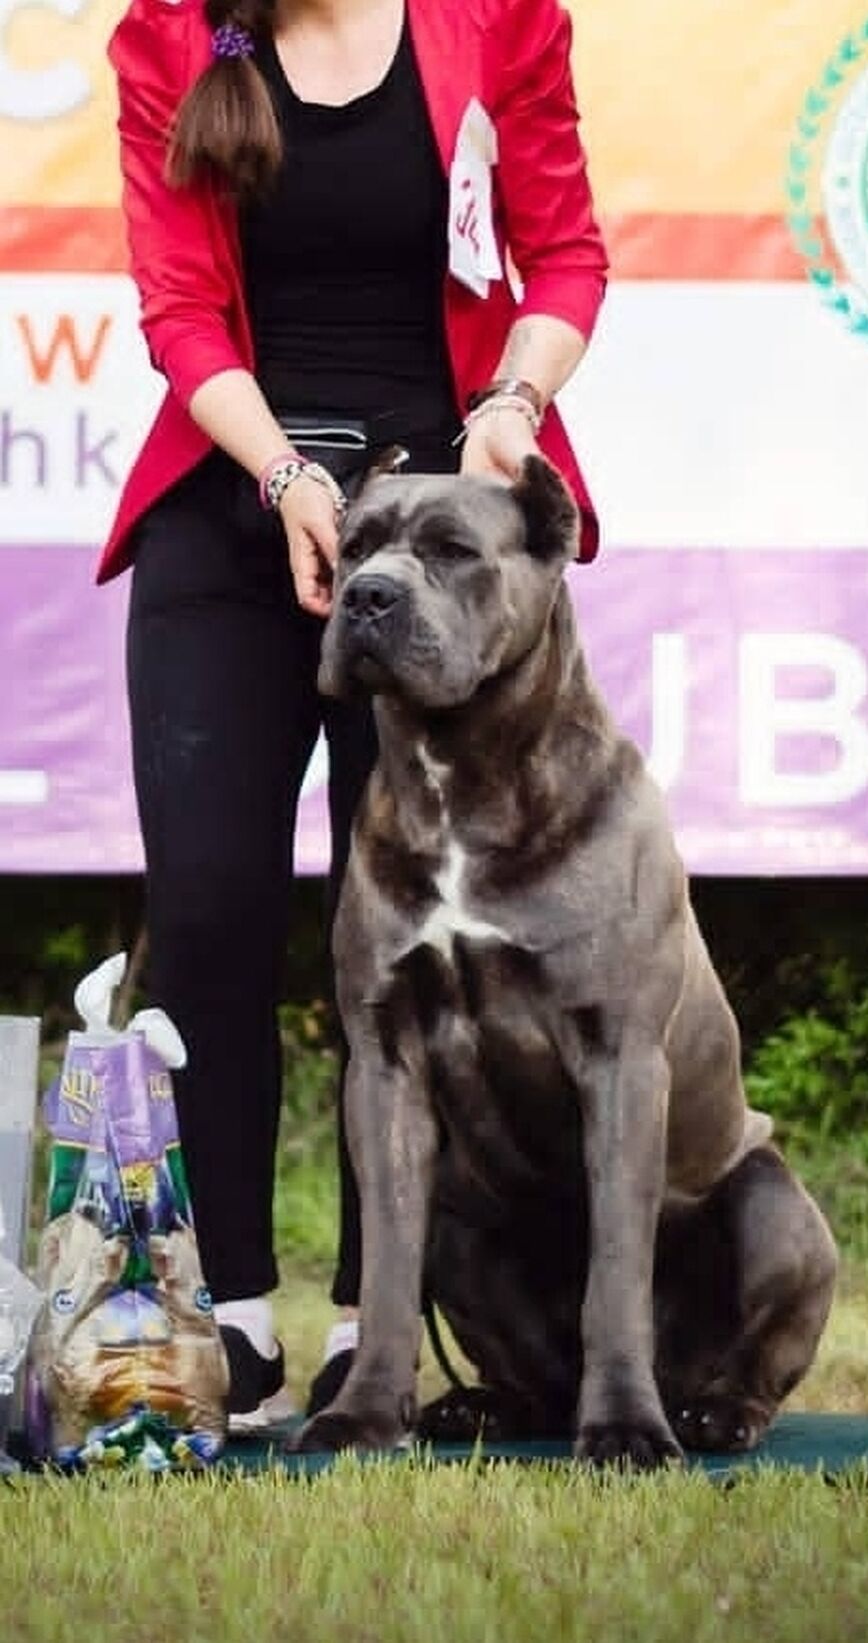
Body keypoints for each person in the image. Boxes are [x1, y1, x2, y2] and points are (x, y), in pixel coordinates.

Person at [102, 0, 607, 1430]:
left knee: (395, 937)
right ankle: (236, 1319)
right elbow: (179, 309)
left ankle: (368, 1325)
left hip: (436, 554)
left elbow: (563, 252)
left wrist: (514, 402)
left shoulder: (500, 22)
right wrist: (281, 481)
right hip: (241, 522)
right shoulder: (171, 37)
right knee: (205, 908)